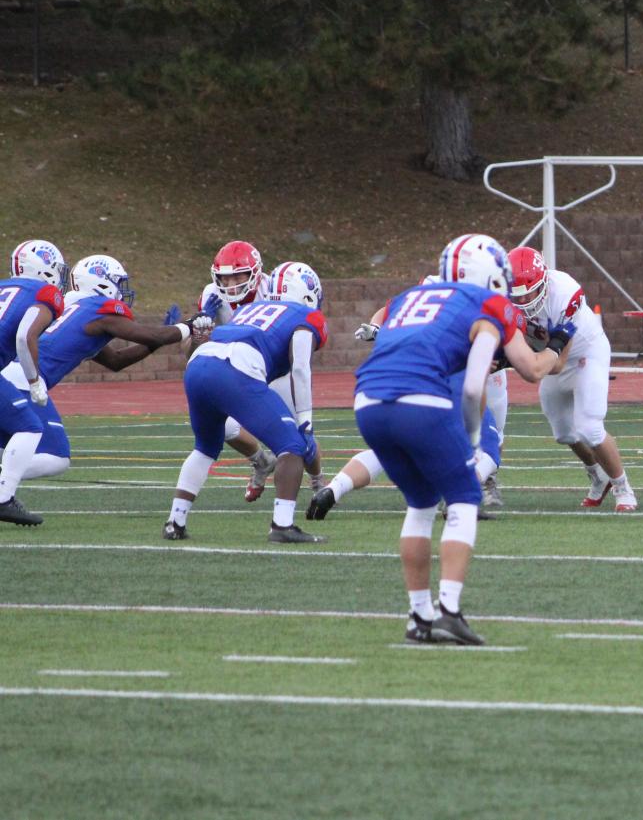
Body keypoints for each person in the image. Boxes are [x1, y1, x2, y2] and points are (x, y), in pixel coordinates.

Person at [353, 234, 568, 646]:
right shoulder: (489, 304)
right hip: (421, 401)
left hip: (367, 401)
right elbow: (494, 380)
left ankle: (419, 617)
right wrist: (470, 440)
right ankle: (449, 610)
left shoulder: (408, 299)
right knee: (464, 498)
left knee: (419, 505)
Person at [306, 274, 508, 522]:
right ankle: (462, 498)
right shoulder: (466, 302)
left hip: (386, 383)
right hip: (443, 382)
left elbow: (382, 316)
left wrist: (376, 330)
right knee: (489, 447)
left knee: (389, 450)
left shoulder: (410, 301)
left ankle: (334, 488)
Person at [164, 262, 327, 543]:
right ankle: (282, 525)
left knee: (205, 448)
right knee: (293, 445)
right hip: (235, 368)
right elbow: (300, 368)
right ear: (309, 293)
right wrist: (305, 420)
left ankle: (175, 522)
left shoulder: (249, 309)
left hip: (198, 365)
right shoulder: (306, 315)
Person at [0, 255, 193, 490]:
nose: (122, 290)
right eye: (118, 282)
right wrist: (189, 326)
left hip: (10, 376)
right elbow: (150, 335)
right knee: (55, 457)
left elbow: (115, 360)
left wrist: (160, 338)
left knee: (17, 445)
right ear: (101, 282)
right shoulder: (97, 310)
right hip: (24, 381)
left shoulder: (71, 307)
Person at [508, 247, 637, 511]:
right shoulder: (505, 299)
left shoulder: (565, 292)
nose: (525, 301)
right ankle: (598, 477)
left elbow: (557, 365)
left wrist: (523, 362)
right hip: (548, 356)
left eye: (530, 293)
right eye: (518, 295)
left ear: (544, 281)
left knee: (589, 427)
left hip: (584, 353)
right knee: (564, 432)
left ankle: (623, 487)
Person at [194, 240, 283, 502]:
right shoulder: (212, 294)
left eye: (238, 277)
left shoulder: (274, 289)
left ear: (254, 273)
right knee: (221, 423)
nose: (230, 285)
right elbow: (200, 348)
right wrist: (201, 324)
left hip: (276, 365)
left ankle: (318, 482)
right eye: (225, 278)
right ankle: (260, 461)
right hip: (237, 366)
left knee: (296, 430)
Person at [0, 241, 67, 526]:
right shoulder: (45, 292)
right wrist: (34, 380)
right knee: (28, 426)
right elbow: (25, 336)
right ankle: (3, 498)